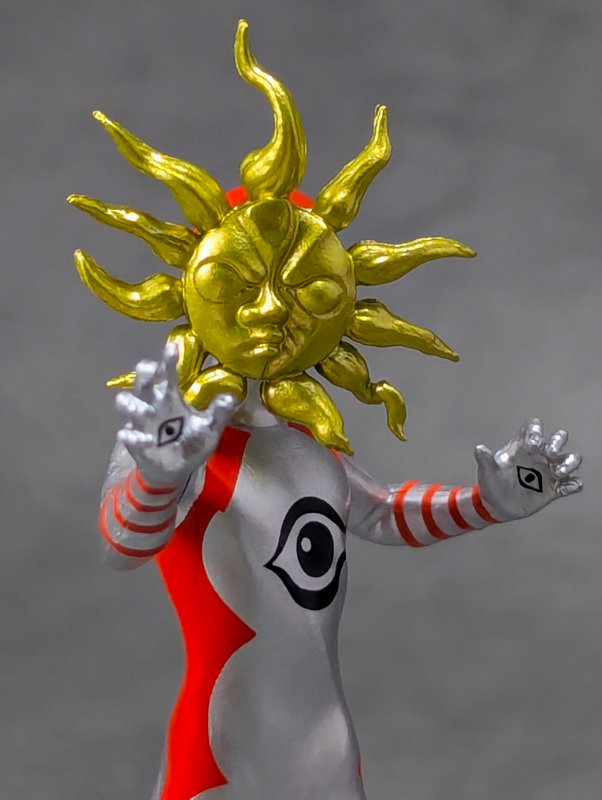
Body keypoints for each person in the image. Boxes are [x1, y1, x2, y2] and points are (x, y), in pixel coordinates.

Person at [70, 20, 582, 800]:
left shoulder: (312, 448)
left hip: (324, 744)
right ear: (189, 288)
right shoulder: (171, 441)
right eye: (238, 283)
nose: (271, 311)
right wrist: (160, 474)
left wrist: (489, 503)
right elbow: (119, 543)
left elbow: (382, 512)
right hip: (219, 747)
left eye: (307, 287)